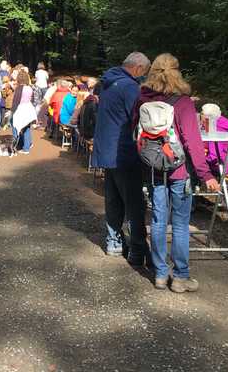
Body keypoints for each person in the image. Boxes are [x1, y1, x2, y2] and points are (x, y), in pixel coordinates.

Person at [137, 54, 220, 292]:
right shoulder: (183, 103)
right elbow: (192, 141)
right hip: (179, 170)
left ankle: (160, 274)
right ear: (177, 72)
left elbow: (137, 133)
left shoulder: (142, 98)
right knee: (181, 224)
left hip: (153, 167)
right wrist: (206, 174)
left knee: (158, 220)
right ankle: (181, 277)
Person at [91, 53, 152, 263]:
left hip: (107, 150)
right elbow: (138, 118)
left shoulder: (108, 82)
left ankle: (114, 242)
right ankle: (137, 249)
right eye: (144, 72)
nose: (143, 77)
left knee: (113, 200)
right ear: (138, 68)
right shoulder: (129, 87)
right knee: (134, 202)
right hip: (124, 151)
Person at [11, 70, 35, 153]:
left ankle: (18, 145)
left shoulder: (19, 89)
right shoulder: (30, 88)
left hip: (20, 110)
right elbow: (32, 99)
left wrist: (12, 112)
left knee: (16, 127)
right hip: (29, 109)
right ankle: (27, 146)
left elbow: (16, 101)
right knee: (27, 128)